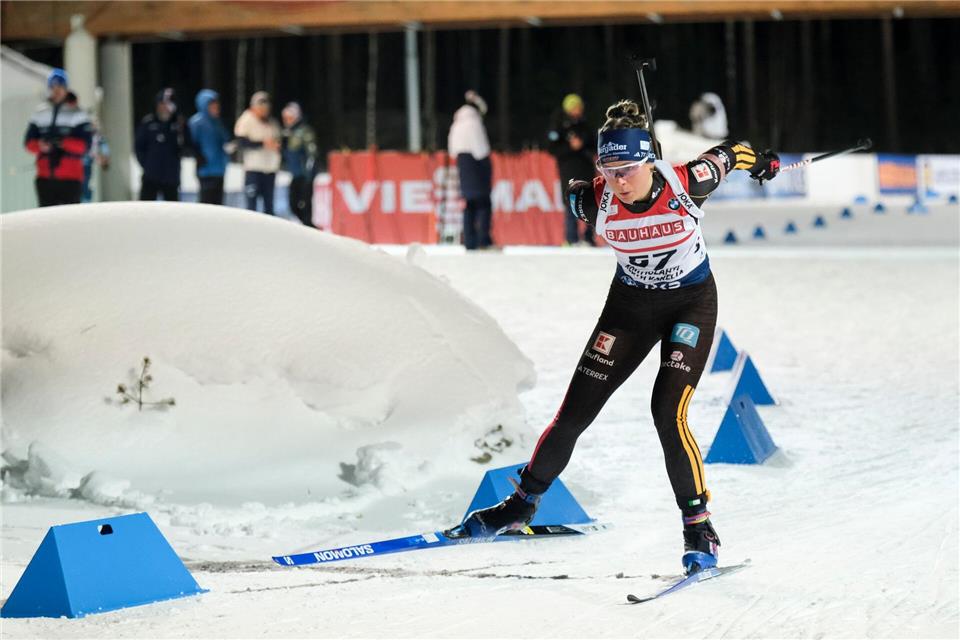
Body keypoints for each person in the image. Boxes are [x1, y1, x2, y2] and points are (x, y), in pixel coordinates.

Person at [446, 99, 780, 575]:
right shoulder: (590, 200)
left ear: (650, 160)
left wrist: (762, 160)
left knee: (667, 411)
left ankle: (698, 526)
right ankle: (521, 505)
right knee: (573, 412)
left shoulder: (689, 182)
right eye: (609, 167)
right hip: (629, 309)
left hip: (690, 305)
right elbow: (577, 186)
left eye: (628, 168)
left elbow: (735, 151)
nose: (619, 180)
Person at [23, 68, 92, 207]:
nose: (57, 91)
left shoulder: (78, 114)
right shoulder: (40, 113)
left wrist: (62, 142)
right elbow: (28, 143)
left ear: (66, 88)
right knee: (46, 221)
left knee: (69, 221)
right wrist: (41, 145)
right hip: (45, 178)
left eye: (60, 86)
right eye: (53, 87)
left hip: (71, 178)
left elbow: (85, 146)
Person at [547, 93, 596, 246]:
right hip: (568, 170)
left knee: (589, 202)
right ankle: (571, 238)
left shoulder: (586, 125)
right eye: (574, 107)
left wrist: (583, 146)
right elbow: (552, 148)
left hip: (586, 169)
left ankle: (589, 238)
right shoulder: (559, 125)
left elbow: (595, 145)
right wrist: (570, 147)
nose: (578, 110)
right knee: (571, 203)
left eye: (579, 107)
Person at [448, 90, 493, 250]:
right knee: (484, 203)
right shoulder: (474, 123)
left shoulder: (457, 123)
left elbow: (452, 149)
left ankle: (469, 241)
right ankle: (484, 240)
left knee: (468, 205)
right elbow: (481, 149)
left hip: (462, 164)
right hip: (476, 165)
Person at [135, 88, 189, 201]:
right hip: (151, 176)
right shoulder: (148, 123)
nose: (164, 108)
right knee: (146, 209)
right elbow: (139, 147)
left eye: (168, 105)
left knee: (172, 210)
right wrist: (147, 164)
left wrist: (182, 130)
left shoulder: (179, 124)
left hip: (171, 177)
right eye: (161, 104)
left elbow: (185, 147)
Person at [234, 91, 281, 214]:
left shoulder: (272, 122)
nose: (264, 110)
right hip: (253, 169)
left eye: (266, 108)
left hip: (270, 169)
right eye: (261, 107)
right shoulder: (246, 120)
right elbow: (241, 143)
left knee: (269, 206)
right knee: (252, 207)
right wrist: (262, 144)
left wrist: (277, 146)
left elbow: (278, 140)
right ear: (254, 107)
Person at [188, 89, 231, 205]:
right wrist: (199, 157)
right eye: (212, 104)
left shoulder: (218, 122)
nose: (216, 107)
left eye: (217, 104)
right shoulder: (196, 122)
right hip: (205, 170)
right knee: (206, 203)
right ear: (204, 105)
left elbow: (226, 140)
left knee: (218, 203)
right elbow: (190, 143)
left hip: (219, 169)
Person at [280, 102, 318, 226]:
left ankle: (309, 227)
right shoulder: (287, 132)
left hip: (305, 174)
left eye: (289, 117)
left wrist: (309, 174)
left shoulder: (304, 131)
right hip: (295, 174)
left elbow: (312, 153)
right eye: (285, 118)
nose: (286, 120)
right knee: (292, 204)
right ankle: (308, 227)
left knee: (305, 204)